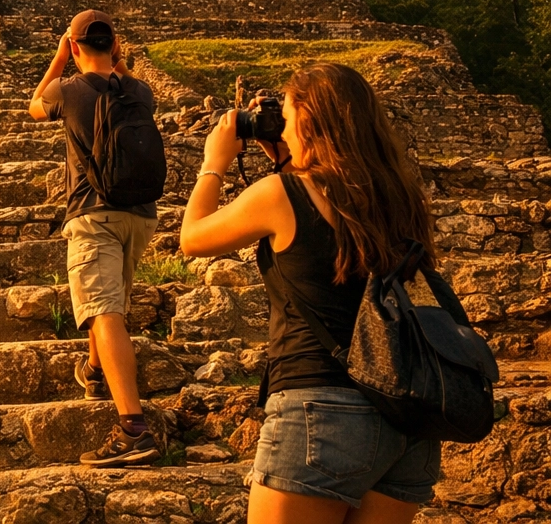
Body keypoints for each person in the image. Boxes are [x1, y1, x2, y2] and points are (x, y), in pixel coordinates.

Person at [182, 63, 440, 523]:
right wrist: (285, 160)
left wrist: (213, 162)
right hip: (406, 416)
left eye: (290, 117)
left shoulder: (281, 194)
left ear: (312, 125)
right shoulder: (400, 197)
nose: (283, 127)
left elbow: (193, 237)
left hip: (319, 409)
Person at [26, 9, 160, 467]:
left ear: (76, 46)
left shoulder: (68, 89)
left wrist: (61, 57)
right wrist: (115, 58)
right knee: (111, 304)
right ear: (115, 46)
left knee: (104, 310)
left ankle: (132, 428)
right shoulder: (140, 91)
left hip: (93, 214)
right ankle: (96, 371)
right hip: (140, 216)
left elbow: (34, 106)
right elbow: (122, 81)